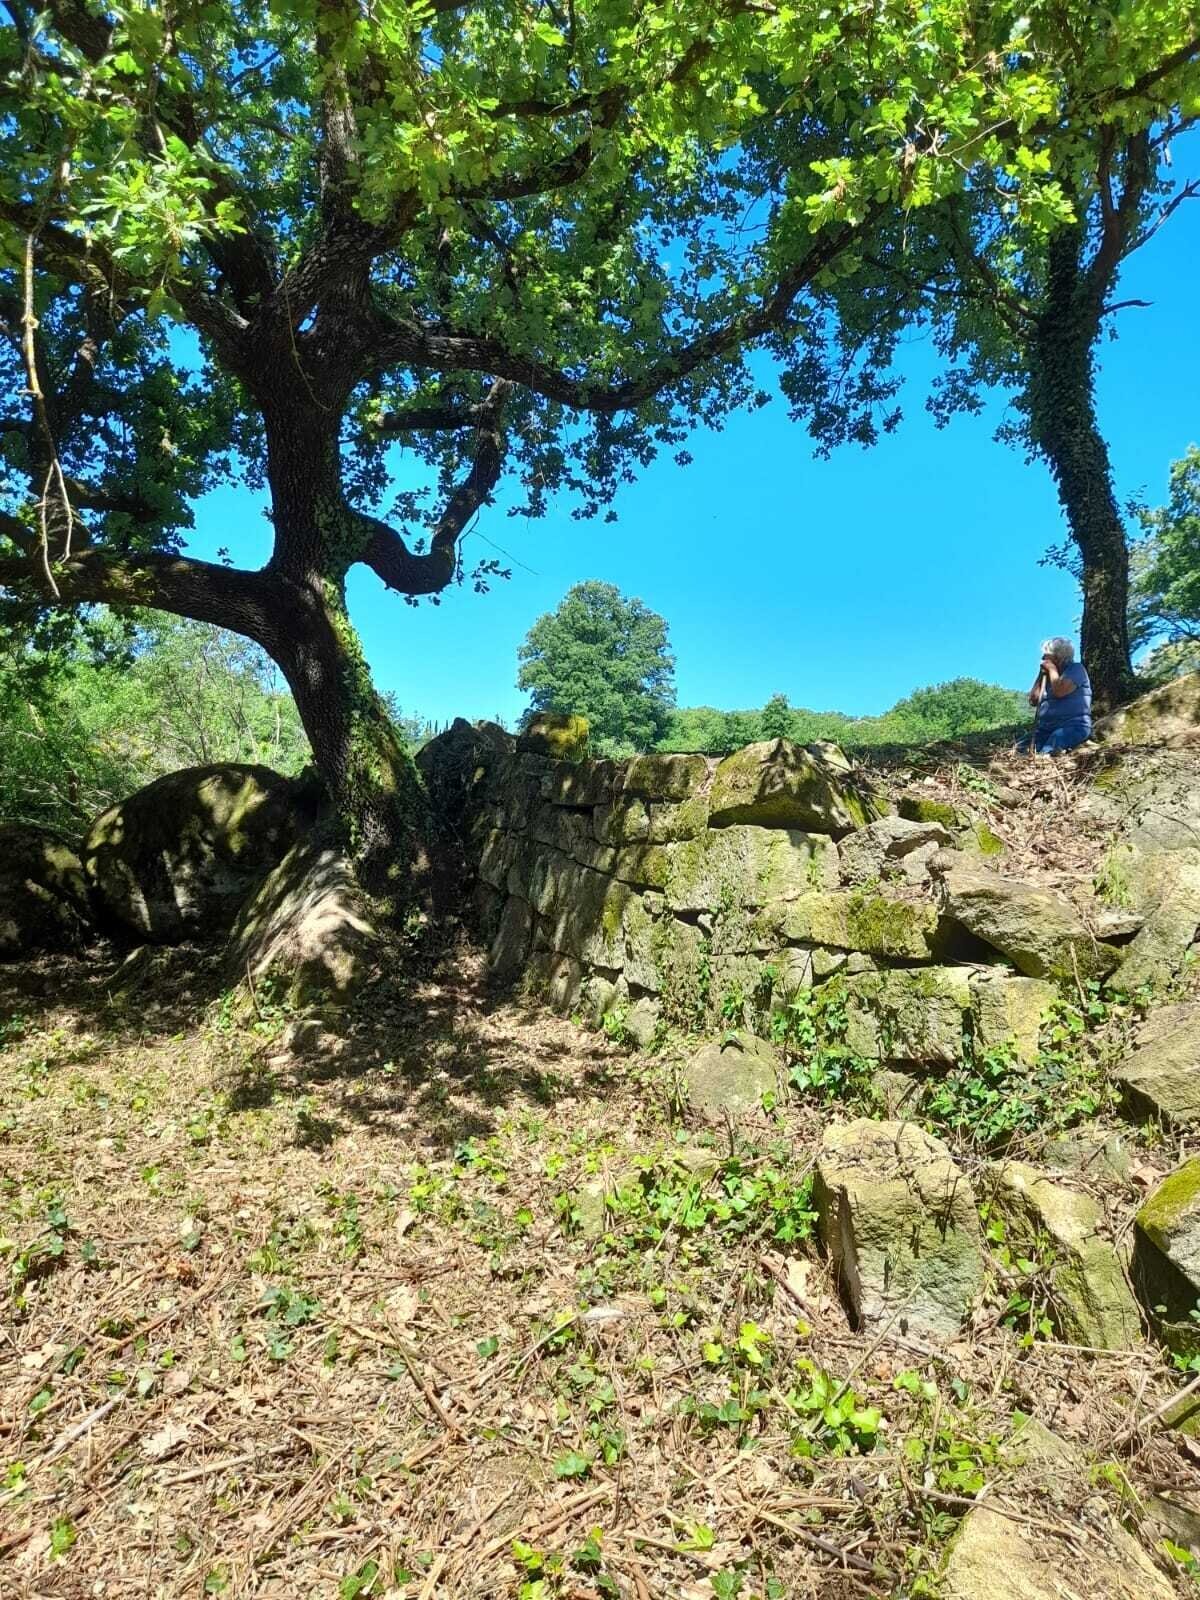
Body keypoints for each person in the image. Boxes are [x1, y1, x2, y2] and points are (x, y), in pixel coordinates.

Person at [1019, 636, 1092, 755]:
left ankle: (1042, 767)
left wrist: (1052, 670)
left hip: (1073, 726)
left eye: (1046, 655)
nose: (1043, 658)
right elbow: (1033, 700)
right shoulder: (1047, 676)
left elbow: (1059, 691)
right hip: (1045, 728)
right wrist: (1041, 675)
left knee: (1048, 750)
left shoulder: (1076, 669)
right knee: (1020, 748)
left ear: (1058, 657)